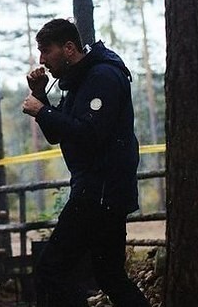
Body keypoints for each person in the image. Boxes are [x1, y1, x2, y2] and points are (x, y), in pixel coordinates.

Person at [22, 18, 150, 307]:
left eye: (46, 50)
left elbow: (90, 134)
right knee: (110, 276)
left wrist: (42, 110)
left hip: (99, 192)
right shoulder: (79, 80)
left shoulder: (102, 76)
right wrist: (41, 95)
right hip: (102, 192)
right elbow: (59, 134)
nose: (41, 59)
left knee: (51, 271)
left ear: (68, 48)